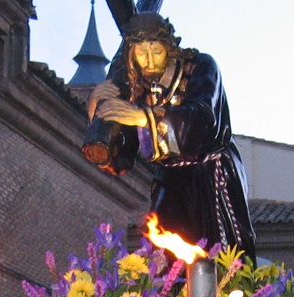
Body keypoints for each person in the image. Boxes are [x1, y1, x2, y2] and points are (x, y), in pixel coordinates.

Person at [84, 13, 256, 261]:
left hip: (210, 175)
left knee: (219, 258)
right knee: (163, 251)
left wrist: (145, 118)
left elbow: (202, 119)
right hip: (170, 177)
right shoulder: (135, 87)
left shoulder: (201, 67)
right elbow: (123, 157)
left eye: (156, 51)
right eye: (142, 54)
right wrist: (98, 116)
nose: (150, 61)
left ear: (169, 47)